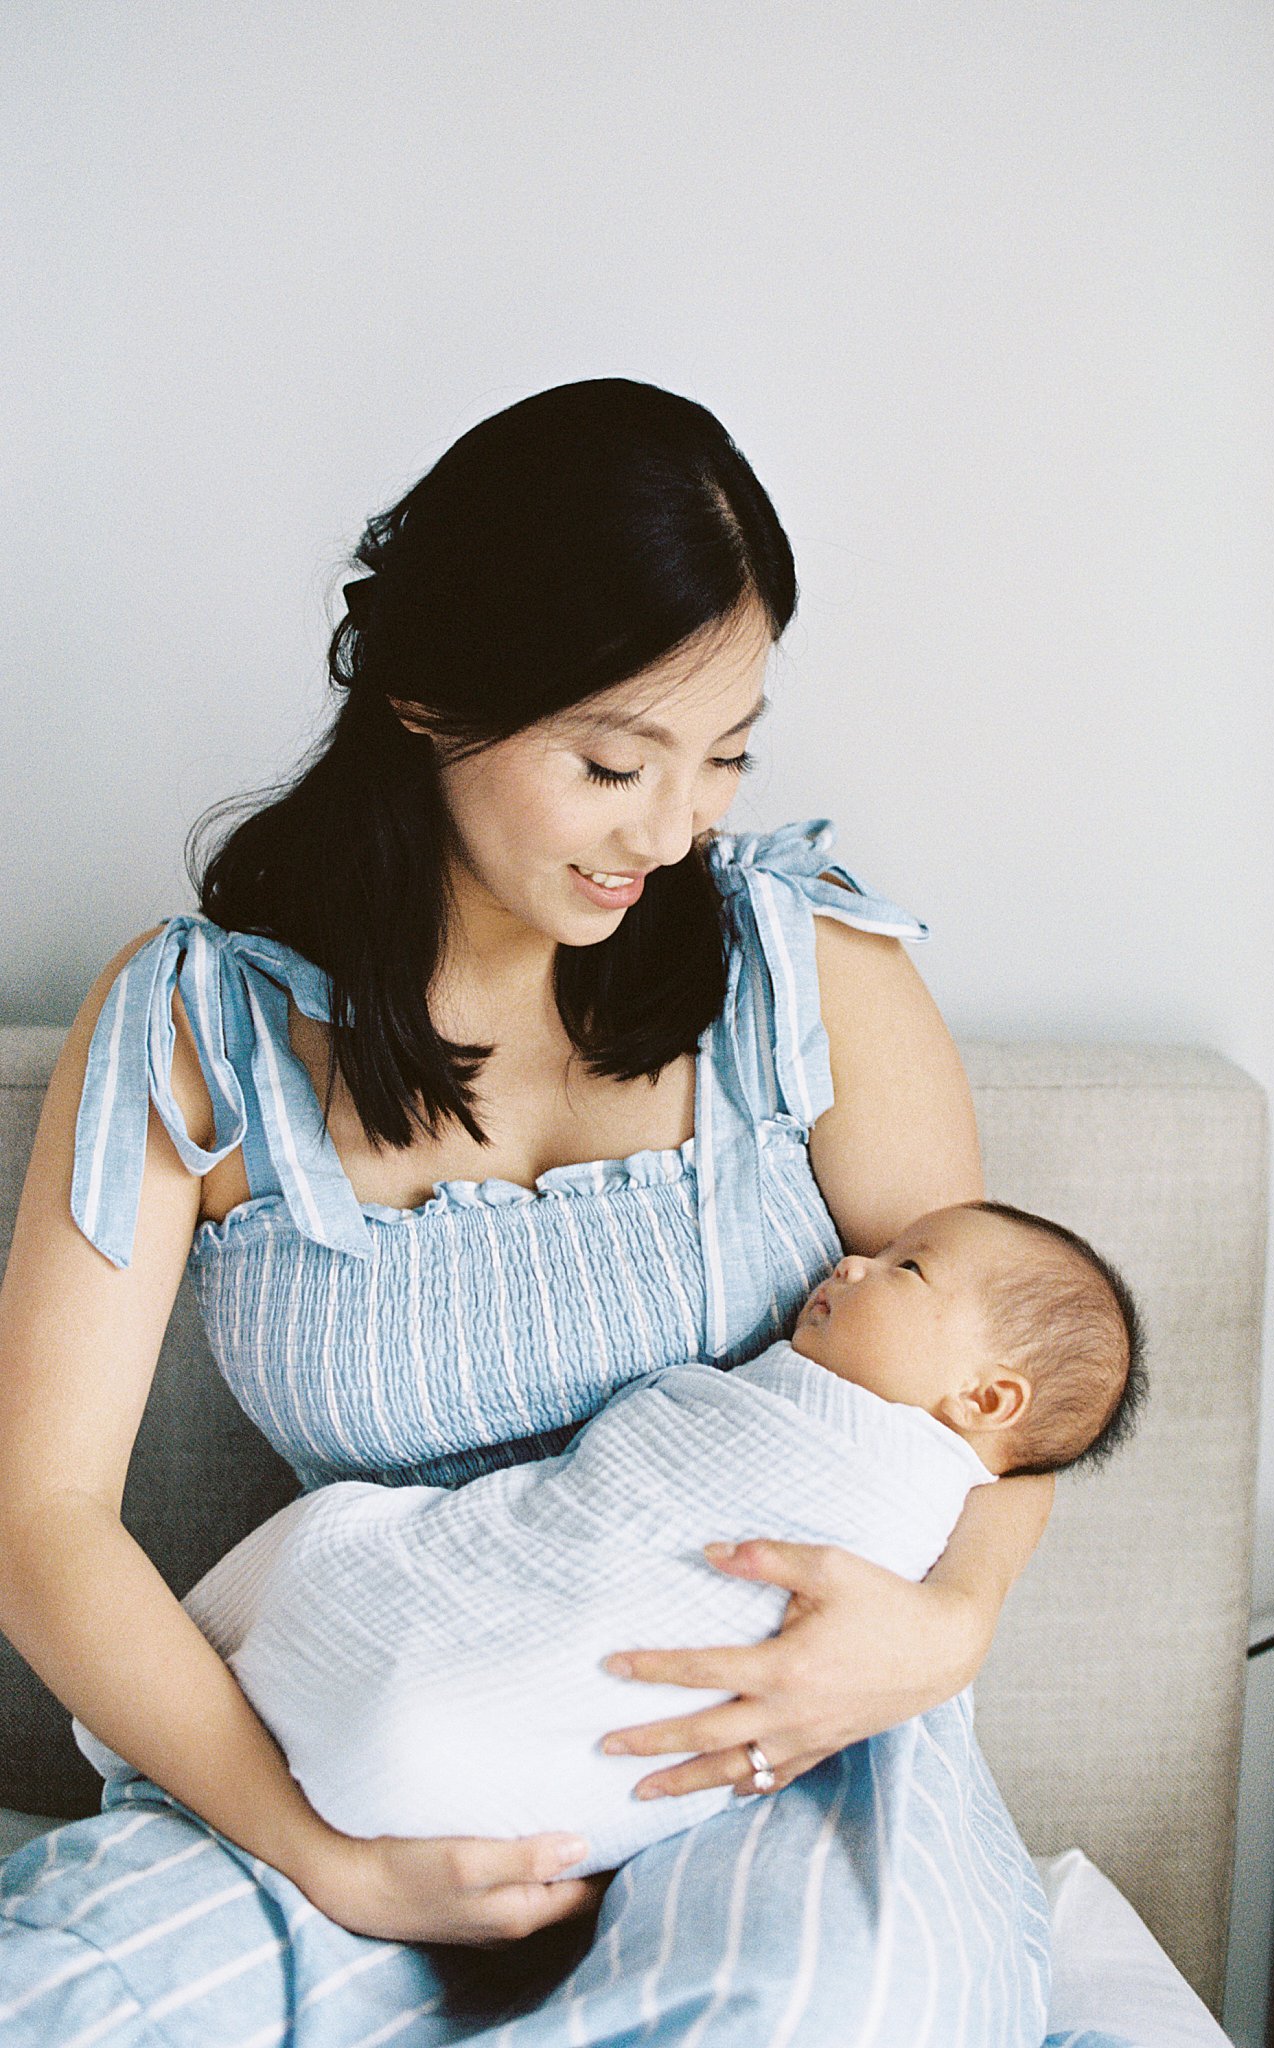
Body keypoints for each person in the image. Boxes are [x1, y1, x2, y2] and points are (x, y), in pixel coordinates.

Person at [0, 379, 1059, 2045]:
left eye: (722, 756)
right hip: (371, 1751)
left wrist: (939, 1627)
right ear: (428, 697)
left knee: (809, 2009)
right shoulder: (194, 1028)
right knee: (59, 1993)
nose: (675, 826)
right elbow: (40, 1514)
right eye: (611, 760)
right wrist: (322, 1857)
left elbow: (1008, 1383)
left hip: (758, 1745)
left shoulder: (805, 962)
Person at [70, 1201, 1145, 1879]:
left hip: (697, 1764)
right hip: (435, 1657)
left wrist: (950, 1622)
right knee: (334, 1549)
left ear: (985, 1394)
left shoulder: (908, 1482)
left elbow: (1001, 1485)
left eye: (905, 1268)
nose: (856, 1259)